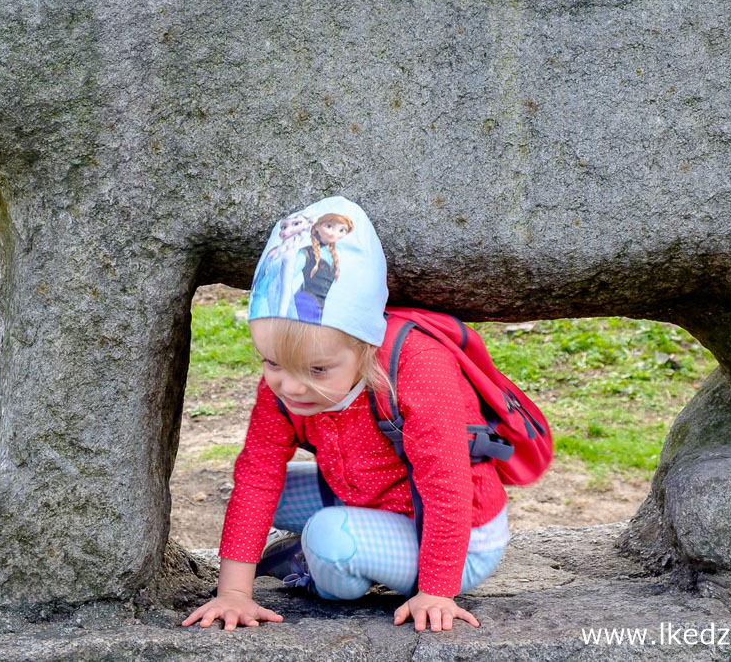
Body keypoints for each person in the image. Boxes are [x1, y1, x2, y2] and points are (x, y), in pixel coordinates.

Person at [182, 196, 510, 634]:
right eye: (271, 363)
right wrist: (234, 595)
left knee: (328, 538)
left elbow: (447, 486)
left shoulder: (416, 369)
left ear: (365, 344)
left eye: (317, 369)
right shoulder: (290, 370)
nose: (292, 387)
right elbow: (259, 472)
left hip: (456, 539)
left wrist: (436, 592)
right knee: (263, 495)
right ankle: (323, 547)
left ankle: (314, 563)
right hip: (364, 495)